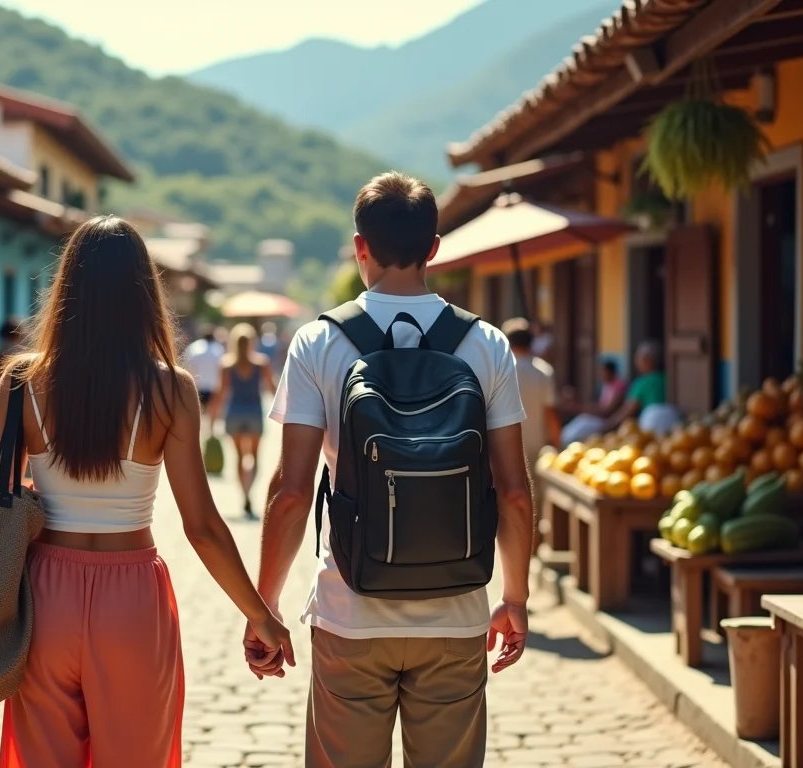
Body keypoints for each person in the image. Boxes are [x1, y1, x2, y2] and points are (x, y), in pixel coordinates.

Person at [0, 216, 293, 767]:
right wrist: (259, 613)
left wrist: (41, 488)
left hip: (44, 597)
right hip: (133, 600)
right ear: (143, 294)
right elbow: (202, 527)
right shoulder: (170, 388)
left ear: (66, 288)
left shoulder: (22, 381)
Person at [247, 172, 532, 767]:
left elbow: (292, 493)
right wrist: (515, 598)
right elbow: (513, 492)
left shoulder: (317, 342)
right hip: (456, 613)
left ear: (360, 246)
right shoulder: (486, 344)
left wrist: (264, 606)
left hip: (349, 610)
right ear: (434, 247)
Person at [210, 323, 276, 519]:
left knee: (239, 456)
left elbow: (221, 393)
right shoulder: (261, 363)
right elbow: (272, 389)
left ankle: (244, 494)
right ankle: (250, 491)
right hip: (254, 412)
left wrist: (212, 419)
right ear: (252, 342)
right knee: (255, 456)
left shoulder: (226, 365)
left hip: (234, 414)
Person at [503, 317, 558, 461]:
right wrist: (557, 442)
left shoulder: (499, 369)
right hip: (535, 445)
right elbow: (550, 411)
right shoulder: (543, 370)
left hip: (503, 445)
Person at [557, 360, 628, 446]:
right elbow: (601, 406)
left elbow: (608, 410)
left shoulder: (618, 385)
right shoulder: (607, 385)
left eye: (602, 371)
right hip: (599, 418)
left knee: (581, 427)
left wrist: (581, 408)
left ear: (609, 371)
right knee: (577, 423)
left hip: (608, 421)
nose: (600, 374)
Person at [182, 327, 225, 409]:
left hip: (197, 386)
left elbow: (186, 365)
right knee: (212, 412)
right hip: (214, 387)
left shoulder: (193, 348)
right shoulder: (219, 349)